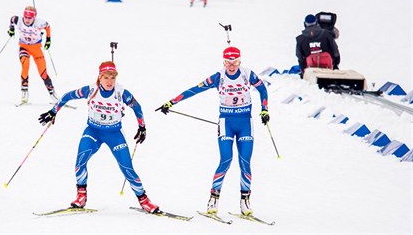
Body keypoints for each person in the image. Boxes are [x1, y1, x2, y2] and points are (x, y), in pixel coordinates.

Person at [157, 46, 269, 216]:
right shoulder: (219, 77)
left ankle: (245, 202)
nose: (231, 67)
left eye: (235, 63)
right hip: (226, 122)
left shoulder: (248, 74)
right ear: (223, 62)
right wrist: (172, 102)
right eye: (228, 63)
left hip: (245, 122)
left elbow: (262, 89)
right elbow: (195, 89)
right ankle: (213, 199)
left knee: (245, 162)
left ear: (240, 61)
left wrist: (265, 109)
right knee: (226, 160)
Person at [38, 61, 160, 213]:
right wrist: (53, 111)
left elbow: (137, 107)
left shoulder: (122, 93)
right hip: (93, 131)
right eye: (106, 77)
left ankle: (144, 200)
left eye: (112, 78)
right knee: (80, 162)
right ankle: (81, 196)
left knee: (127, 168)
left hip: (114, 134)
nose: (110, 82)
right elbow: (67, 96)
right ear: (99, 77)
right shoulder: (90, 90)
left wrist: (142, 127)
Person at [7, 6, 57, 104]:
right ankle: (24, 94)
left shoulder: (39, 23)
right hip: (24, 47)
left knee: (43, 73)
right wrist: (11, 29)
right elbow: (12, 19)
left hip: (36, 49)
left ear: (34, 17)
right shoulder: (18, 20)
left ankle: (53, 95)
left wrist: (48, 39)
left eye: (30, 18)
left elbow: (47, 26)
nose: (27, 20)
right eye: (26, 17)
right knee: (25, 66)